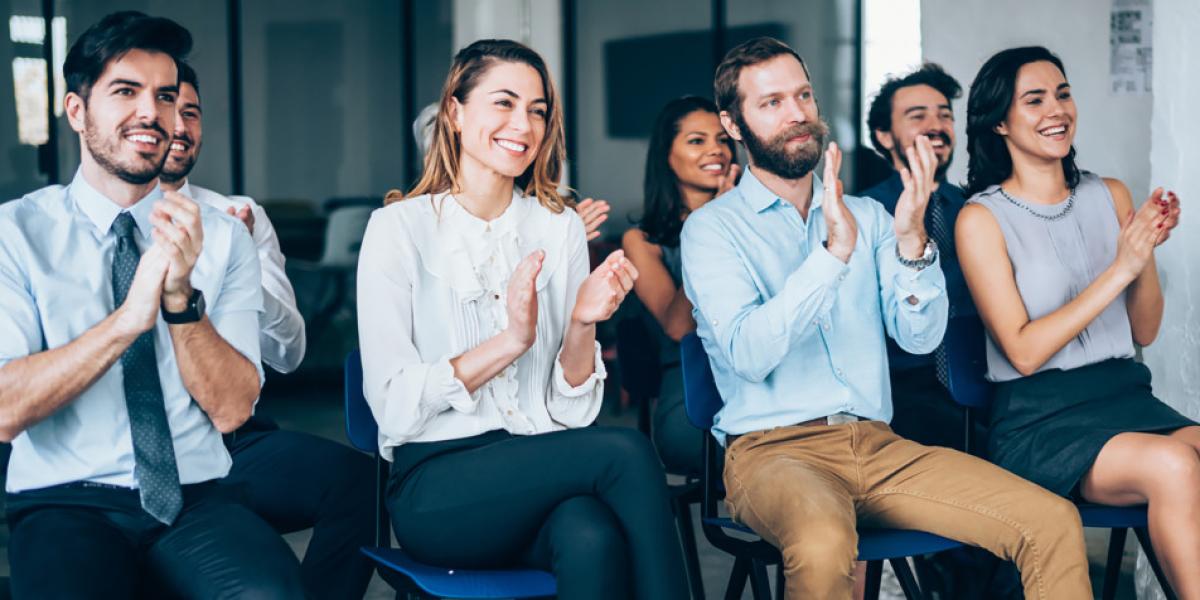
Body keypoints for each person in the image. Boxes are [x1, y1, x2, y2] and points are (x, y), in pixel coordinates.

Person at [681, 36, 1092, 599]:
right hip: (772, 454)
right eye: (771, 102)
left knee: (1051, 521)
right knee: (825, 544)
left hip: (880, 446)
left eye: (803, 95)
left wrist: (911, 240)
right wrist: (832, 257)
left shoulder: (872, 215)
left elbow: (919, 340)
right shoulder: (711, 230)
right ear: (734, 124)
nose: (798, 113)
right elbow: (749, 356)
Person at [356, 39, 689, 600]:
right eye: (504, 104)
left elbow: (569, 411)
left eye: (537, 110)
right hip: (438, 485)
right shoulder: (398, 229)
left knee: (591, 535)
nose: (524, 124)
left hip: (540, 469)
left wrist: (582, 324)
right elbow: (392, 403)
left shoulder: (556, 228)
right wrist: (511, 341)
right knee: (626, 451)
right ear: (456, 114)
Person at [0, 11, 302, 598]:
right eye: (125, 92)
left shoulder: (223, 235)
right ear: (77, 111)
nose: (151, 113)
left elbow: (235, 409)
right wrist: (128, 322)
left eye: (165, 96)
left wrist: (180, 302)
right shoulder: (14, 234)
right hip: (67, 501)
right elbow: (4, 407)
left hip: (198, 497)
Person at [957, 45, 1195, 597]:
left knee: (1184, 460)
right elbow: (1022, 351)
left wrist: (1146, 249)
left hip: (1126, 397)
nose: (1056, 109)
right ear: (999, 122)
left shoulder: (1109, 193)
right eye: (1034, 99)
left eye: (1062, 93)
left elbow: (1144, 331)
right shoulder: (981, 218)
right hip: (1043, 419)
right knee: (1176, 466)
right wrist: (1121, 267)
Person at [158, 62, 375, 600]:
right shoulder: (106, 223)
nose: (182, 127)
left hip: (236, 440)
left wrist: (241, 268)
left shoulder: (239, 217)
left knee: (363, 485)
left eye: (192, 112)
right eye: (169, 110)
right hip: (149, 448)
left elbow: (290, 354)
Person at [861, 63, 1021, 600]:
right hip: (905, 393)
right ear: (883, 135)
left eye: (944, 114)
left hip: (985, 391)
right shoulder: (863, 216)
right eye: (917, 115)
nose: (935, 124)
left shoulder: (980, 211)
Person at [622, 95, 738, 474]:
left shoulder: (755, 222)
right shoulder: (640, 241)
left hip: (761, 384)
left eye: (722, 139)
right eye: (696, 140)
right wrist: (711, 228)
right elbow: (677, 327)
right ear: (666, 155)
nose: (715, 150)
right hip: (692, 395)